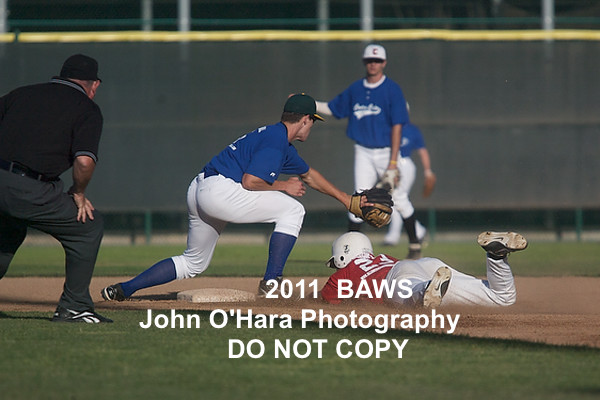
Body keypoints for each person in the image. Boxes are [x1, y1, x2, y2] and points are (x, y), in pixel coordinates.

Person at [101, 93, 371, 301]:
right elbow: (250, 182)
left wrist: (346, 200)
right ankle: (271, 282)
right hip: (220, 191)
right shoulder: (276, 141)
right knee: (293, 210)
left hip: (199, 189)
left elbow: (310, 175)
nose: (312, 125)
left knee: (194, 262)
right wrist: (283, 186)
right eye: (312, 121)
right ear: (304, 120)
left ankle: (123, 289)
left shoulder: (277, 140)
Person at [0, 54, 109, 323]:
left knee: (8, 231)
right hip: (28, 188)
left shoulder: (21, 94)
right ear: (94, 85)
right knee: (87, 227)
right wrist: (78, 193)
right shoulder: (86, 108)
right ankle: (74, 306)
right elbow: (84, 162)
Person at [315, 44, 422, 259]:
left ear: (384, 63)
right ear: (365, 62)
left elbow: (397, 126)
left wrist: (393, 163)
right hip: (363, 151)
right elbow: (333, 109)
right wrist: (310, 103)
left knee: (399, 198)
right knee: (359, 198)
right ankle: (349, 252)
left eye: (377, 60)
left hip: (387, 153)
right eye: (370, 60)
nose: (373, 64)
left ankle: (414, 245)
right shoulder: (356, 89)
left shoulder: (392, 90)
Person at [321, 231, 528, 308]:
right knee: (502, 299)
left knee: (412, 293)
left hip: (397, 278)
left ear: (341, 256)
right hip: (423, 264)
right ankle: (496, 256)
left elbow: (322, 300)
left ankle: (425, 290)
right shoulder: (382, 258)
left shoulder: (342, 275)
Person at [383, 120, 434, 247]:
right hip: (390, 164)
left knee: (396, 199)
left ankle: (393, 237)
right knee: (394, 200)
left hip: (405, 165)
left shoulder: (412, 130)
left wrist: (428, 171)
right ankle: (419, 231)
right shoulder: (387, 127)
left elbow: (422, 151)